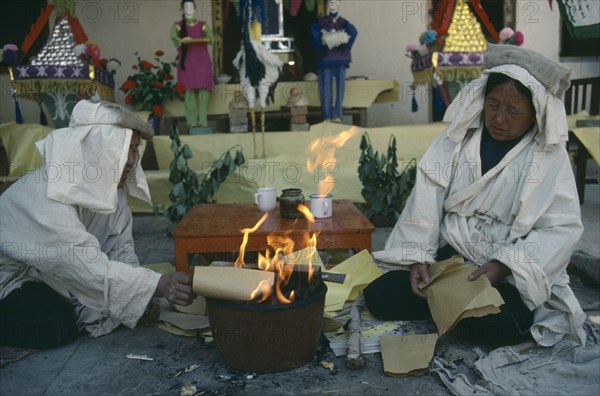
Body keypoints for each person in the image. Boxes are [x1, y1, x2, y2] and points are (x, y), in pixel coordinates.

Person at [363, 44, 586, 348]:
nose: (499, 119)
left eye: (513, 111)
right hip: (453, 256)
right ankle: (452, 308)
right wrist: (418, 258)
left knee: (504, 326)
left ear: (534, 113)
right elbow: (427, 199)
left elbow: (560, 228)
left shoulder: (548, 157)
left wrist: (505, 265)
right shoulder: (458, 139)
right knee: (379, 296)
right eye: (493, 105)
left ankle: (453, 309)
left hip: (504, 269)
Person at [0, 100, 195, 349]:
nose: (131, 161)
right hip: (16, 279)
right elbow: (80, 263)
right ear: (97, 148)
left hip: (61, 276)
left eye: (135, 149)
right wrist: (154, 285)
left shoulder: (110, 189)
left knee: (117, 306)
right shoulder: (46, 193)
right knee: (54, 325)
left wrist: (144, 297)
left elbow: (120, 247)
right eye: (125, 149)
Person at [310, 0, 357, 122]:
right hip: (325, 58)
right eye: (330, 3)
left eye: (335, 3)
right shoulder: (320, 22)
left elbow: (353, 32)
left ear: (339, 5)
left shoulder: (344, 23)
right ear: (326, 6)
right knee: (325, 86)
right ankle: (327, 114)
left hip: (340, 58)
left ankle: (337, 112)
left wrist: (346, 45)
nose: (332, 6)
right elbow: (314, 35)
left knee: (340, 86)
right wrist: (321, 47)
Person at [171, 0, 214, 129]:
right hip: (187, 62)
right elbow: (174, 38)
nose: (189, 8)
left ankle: (203, 120)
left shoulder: (203, 25)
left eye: (191, 6)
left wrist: (198, 39)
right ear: (182, 9)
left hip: (202, 62)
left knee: (204, 91)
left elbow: (210, 37)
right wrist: (182, 39)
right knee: (188, 91)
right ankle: (191, 121)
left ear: (194, 8)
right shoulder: (177, 26)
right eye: (186, 6)